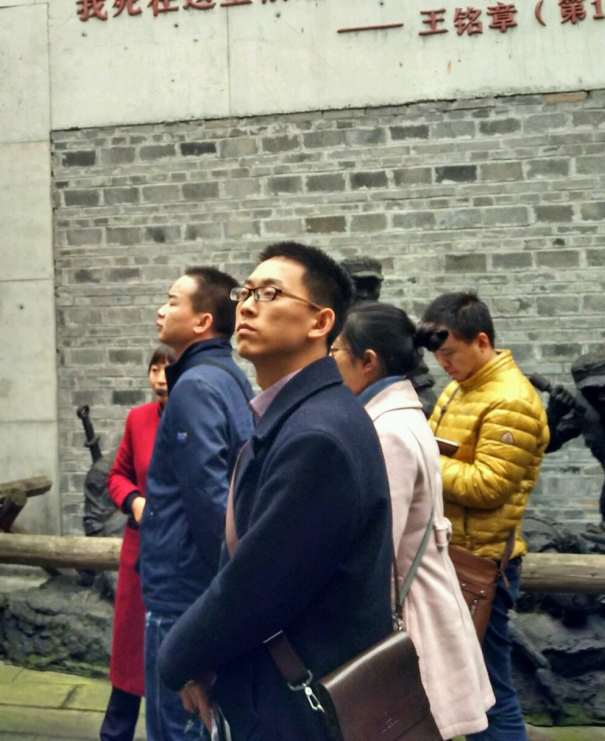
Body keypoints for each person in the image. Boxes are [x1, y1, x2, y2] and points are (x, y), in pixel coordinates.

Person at [157, 242, 394, 741]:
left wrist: (178, 657)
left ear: (320, 322)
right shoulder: (300, 416)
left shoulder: (318, 435)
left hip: (299, 703)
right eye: (245, 293)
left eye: (269, 293)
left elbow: (257, 585)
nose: (247, 306)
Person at [330, 302, 494, 739]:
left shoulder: (386, 431)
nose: (331, 360)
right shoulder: (401, 415)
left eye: (337, 351)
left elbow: (380, 546)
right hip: (425, 597)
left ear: (368, 362)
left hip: (411, 611)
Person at [421, 291, 548, 741]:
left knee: (489, 694)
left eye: (450, 353)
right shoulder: (461, 387)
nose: (443, 364)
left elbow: (489, 485)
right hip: (454, 555)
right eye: (437, 355)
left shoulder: (511, 400)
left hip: (483, 563)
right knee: (468, 691)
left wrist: (421, 459)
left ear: (481, 341)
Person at [139, 266, 254, 741]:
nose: (160, 311)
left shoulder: (195, 386)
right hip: (202, 585)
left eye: (172, 301)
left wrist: (227, 586)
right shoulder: (229, 377)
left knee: (179, 725)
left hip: (184, 589)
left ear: (203, 321)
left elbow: (208, 496)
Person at [98, 343, 175, 741]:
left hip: (179, 553)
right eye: (154, 369)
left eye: (168, 369)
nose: (160, 378)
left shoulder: (198, 418)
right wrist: (133, 500)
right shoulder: (138, 419)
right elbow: (117, 475)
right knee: (129, 653)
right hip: (139, 549)